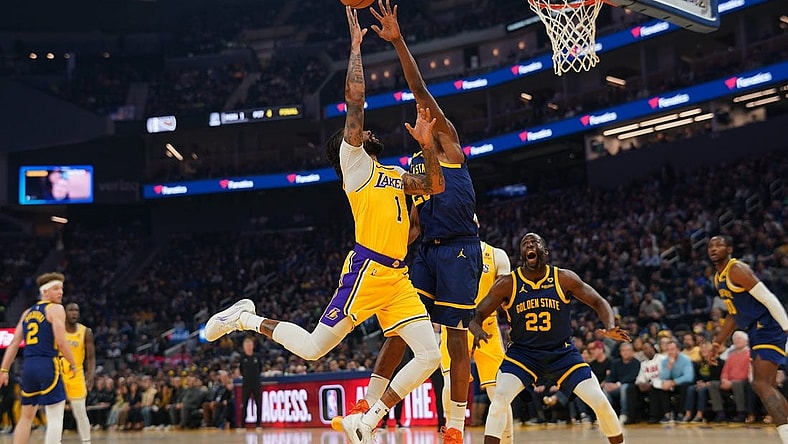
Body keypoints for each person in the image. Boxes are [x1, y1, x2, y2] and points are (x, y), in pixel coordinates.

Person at [203, 7, 443, 444]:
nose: (365, 131)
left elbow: (435, 183)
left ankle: (368, 420)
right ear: (350, 146)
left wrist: (427, 146)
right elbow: (355, 102)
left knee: (430, 355)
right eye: (358, 132)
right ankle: (246, 319)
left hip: (398, 279)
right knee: (315, 348)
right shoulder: (355, 167)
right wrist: (355, 49)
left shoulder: (392, 174)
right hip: (367, 272)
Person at [358, 2, 482, 442]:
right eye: (418, 114)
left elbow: (420, 87)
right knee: (402, 328)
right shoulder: (412, 165)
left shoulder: (447, 145)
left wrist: (397, 41)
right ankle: (367, 406)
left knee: (456, 336)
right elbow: (411, 221)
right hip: (426, 249)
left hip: (461, 248)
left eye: (426, 112)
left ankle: (454, 424)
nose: (421, 113)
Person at [469, 233, 630, 444]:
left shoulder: (564, 278)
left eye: (535, 242)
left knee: (599, 400)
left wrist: (609, 326)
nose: (529, 244)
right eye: (525, 243)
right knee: (499, 399)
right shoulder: (508, 283)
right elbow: (476, 315)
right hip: (523, 354)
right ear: (522, 254)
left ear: (545, 252)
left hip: (562, 353)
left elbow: (599, 301)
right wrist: (477, 329)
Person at [708, 235, 788, 442]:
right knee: (767, 384)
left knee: (760, 384)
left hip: (768, 325)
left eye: (719, 245)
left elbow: (769, 298)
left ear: (730, 249)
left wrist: (787, 328)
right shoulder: (718, 278)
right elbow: (734, 313)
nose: (714, 248)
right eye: (711, 246)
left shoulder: (737, 269)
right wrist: (718, 342)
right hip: (756, 329)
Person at [0, 272, 78, 444]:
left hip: (28, 367)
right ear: (45, 292)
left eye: (61, 289)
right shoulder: (56, 309)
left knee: (26, 417)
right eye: (56, 289)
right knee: (55, 416)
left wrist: (4, 370)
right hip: (47, 364)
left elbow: (13, 344)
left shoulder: (27, 313)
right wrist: (74, 364)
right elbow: (61, 342)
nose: (60, 293)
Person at [59, 302, 95, 444]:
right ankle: (56, 440)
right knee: (57, 412)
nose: (74, 313)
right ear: (65, 313)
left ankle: (86, 441)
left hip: (77, 373)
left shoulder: (86, 331)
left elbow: (91, 357)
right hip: (60, 372)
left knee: (80, 411)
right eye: (71, 310)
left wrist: (90, 375)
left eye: (76, 310)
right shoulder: (58, 330)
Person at [239, 337, 262, 429]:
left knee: (258, 404)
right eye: (246, 345)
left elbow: (260, 368)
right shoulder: (242, 358)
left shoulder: (257, 356)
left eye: (250, 345)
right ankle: (242, 425)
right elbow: (241, 370)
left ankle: (258, 425)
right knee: (244, 404)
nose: (248, 347)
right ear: (244, 347)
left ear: (252, 346)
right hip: (246, 384)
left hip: (256, 383)